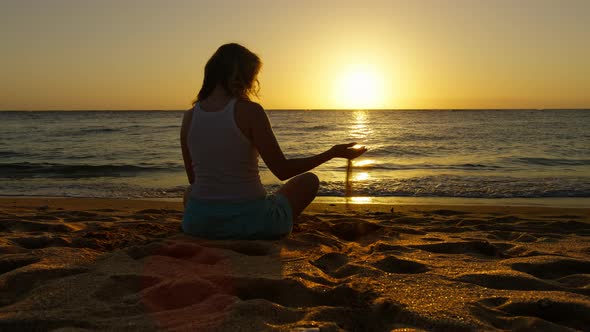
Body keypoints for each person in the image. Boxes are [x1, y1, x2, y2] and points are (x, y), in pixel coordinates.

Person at [180, 43, 366, 240]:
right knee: (309, 181)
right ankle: (275, 222)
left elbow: (194, 179)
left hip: (198, 224)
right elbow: (282, 170)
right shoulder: (250, 111)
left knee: (190, 192)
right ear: (240, 76)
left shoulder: (189, 117)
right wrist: (332, 153)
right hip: (252, 224)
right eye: (252, 76)